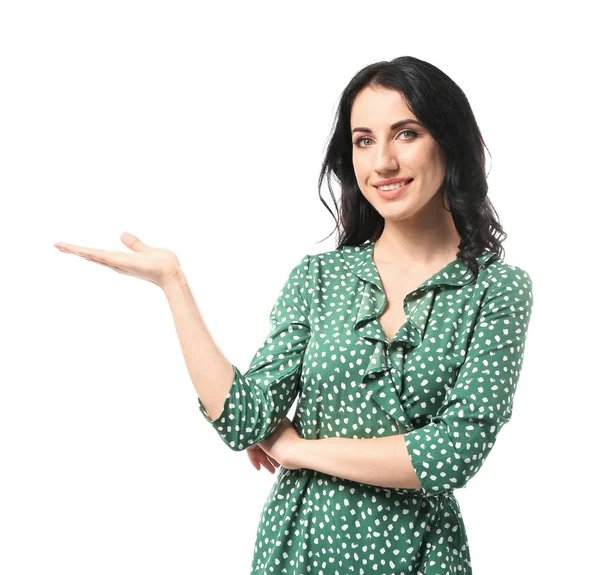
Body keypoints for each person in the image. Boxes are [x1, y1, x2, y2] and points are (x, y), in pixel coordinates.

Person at [54, 55, 534, 574]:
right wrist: (174, 284)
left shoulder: (498, 289)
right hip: (301, 546)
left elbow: (451, 454)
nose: (383, 163)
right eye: (364, 140)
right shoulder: (319, 278)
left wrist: (299, 450)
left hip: (421, 555)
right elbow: (243, 420)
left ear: (450, 140)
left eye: (407, 133)